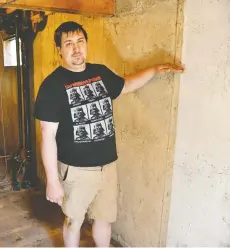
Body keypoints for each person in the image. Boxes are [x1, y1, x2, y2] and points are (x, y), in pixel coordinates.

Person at [34, 21, 184, 247]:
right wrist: (53, 180)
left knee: (104, 219)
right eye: (69, 43)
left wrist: (153, 71)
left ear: (86, 44)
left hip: (108, 166)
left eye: (80, 42)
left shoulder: (99, 73)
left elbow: (126, 86)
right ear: (60, 50)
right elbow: (47, 135)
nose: (76, 48)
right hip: (76, 171)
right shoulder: (52, 86)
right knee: (74, 220)